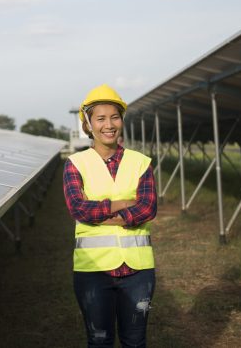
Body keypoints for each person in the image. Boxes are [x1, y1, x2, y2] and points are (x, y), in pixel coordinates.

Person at [63, 84, 157, 348]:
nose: (109, 124)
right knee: (99, 340)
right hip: (93, 270)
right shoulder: (75, 164)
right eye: (100, 118)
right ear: (88, 125)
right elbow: (79, 210)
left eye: (114, 117)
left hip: (138, 272)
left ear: (121, 121)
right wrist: (124, 204)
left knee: (135, 341)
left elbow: (148, 208)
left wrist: (100, 212)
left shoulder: (141, 162)